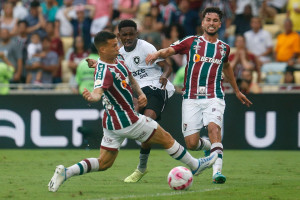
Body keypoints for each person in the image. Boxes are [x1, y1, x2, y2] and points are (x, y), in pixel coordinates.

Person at [48, 31, 218, 192]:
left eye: (117, 43)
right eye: (114, 45)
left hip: (111, 122)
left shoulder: (117, 58)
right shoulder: (104, 72)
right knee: (165, 137)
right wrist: (91, 97)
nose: (118, 47)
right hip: (126, 119)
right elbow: (98, 91)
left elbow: (129, 77)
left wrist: (141, 93)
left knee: (104, 163)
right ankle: (195, 166)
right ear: (102, 49)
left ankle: (66, 172)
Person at [145, 7, 253, 184]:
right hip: (191, 97)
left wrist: (237, 90)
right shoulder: (191, 42)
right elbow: (170, 51)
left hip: (214, 95)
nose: (211, 23)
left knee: (214, 129)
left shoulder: (224, 48)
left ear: (220, 24)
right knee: (191, 144)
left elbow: (227, 68)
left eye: (215, 20)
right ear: (203, 22)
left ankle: (216, 172)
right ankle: (211, 148)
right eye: (208, 20)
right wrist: (157, 53)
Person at [86, 19, 176, 183]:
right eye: (124, 35)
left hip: (155, 86)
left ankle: (141, 168)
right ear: (119, 36)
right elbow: (111, 66)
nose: (128, 38)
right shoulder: (118, 52)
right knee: (145, 131)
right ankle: (201, 148)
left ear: (137, 34)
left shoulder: (146, 47)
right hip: (138, 91)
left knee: (148, 120)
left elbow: (167, 66)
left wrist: (164, 77)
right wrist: (96, 64)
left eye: (131, 34)